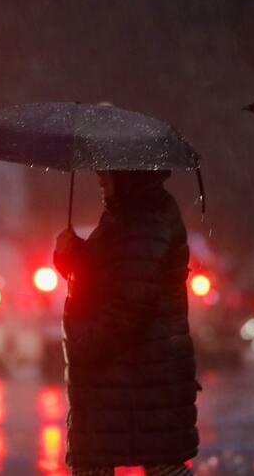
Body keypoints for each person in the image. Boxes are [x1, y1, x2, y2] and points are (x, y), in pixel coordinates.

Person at [53, 170, 199, 476]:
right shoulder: (126, 214)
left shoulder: (145, 219)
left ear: (127, 172)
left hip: (141, 371)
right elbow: (112, 271)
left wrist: (85, 345)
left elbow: (130, 304)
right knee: (141, 463)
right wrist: (74, 255)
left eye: (106, 170)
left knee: (158, 465)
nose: (98, 176)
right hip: (129, 372)